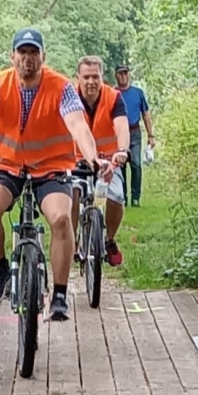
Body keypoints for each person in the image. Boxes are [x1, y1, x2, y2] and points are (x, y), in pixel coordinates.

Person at [0, 27, 111, 322]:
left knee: (61, 218)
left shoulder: (61, 87)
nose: (27, 58)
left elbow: (78, 125)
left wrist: (92, 157)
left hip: (50, 168)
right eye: (22, 52)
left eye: (33, 52)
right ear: (12, 56)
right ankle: (0, 269)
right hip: (6, 166)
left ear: (43, 57)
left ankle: (60, 296)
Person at [72, 56, 130, 266]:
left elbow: (122, 126)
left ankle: (109, 239)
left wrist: (122, 151)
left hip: (108, 161)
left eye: (95, 77)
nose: (91, 82)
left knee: (116, 197)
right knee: (71, 193)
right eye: (86, 77)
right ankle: (71, 240)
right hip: (76, 160)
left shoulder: (113, 97)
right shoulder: (70, 97)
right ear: (78, 77)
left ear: (102, 77)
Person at [114, 64, 155, 207]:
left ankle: (135, 197)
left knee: (136, 164)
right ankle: (123, 197)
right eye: (120, 74)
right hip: (118, 133)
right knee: (120, 165)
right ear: (116, 76)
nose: (123, 76)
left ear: (129, 75)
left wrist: (151, 135)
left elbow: (146, 114)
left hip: (134, 132)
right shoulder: (113, 93)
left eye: (125, 73)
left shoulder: (138, 93)